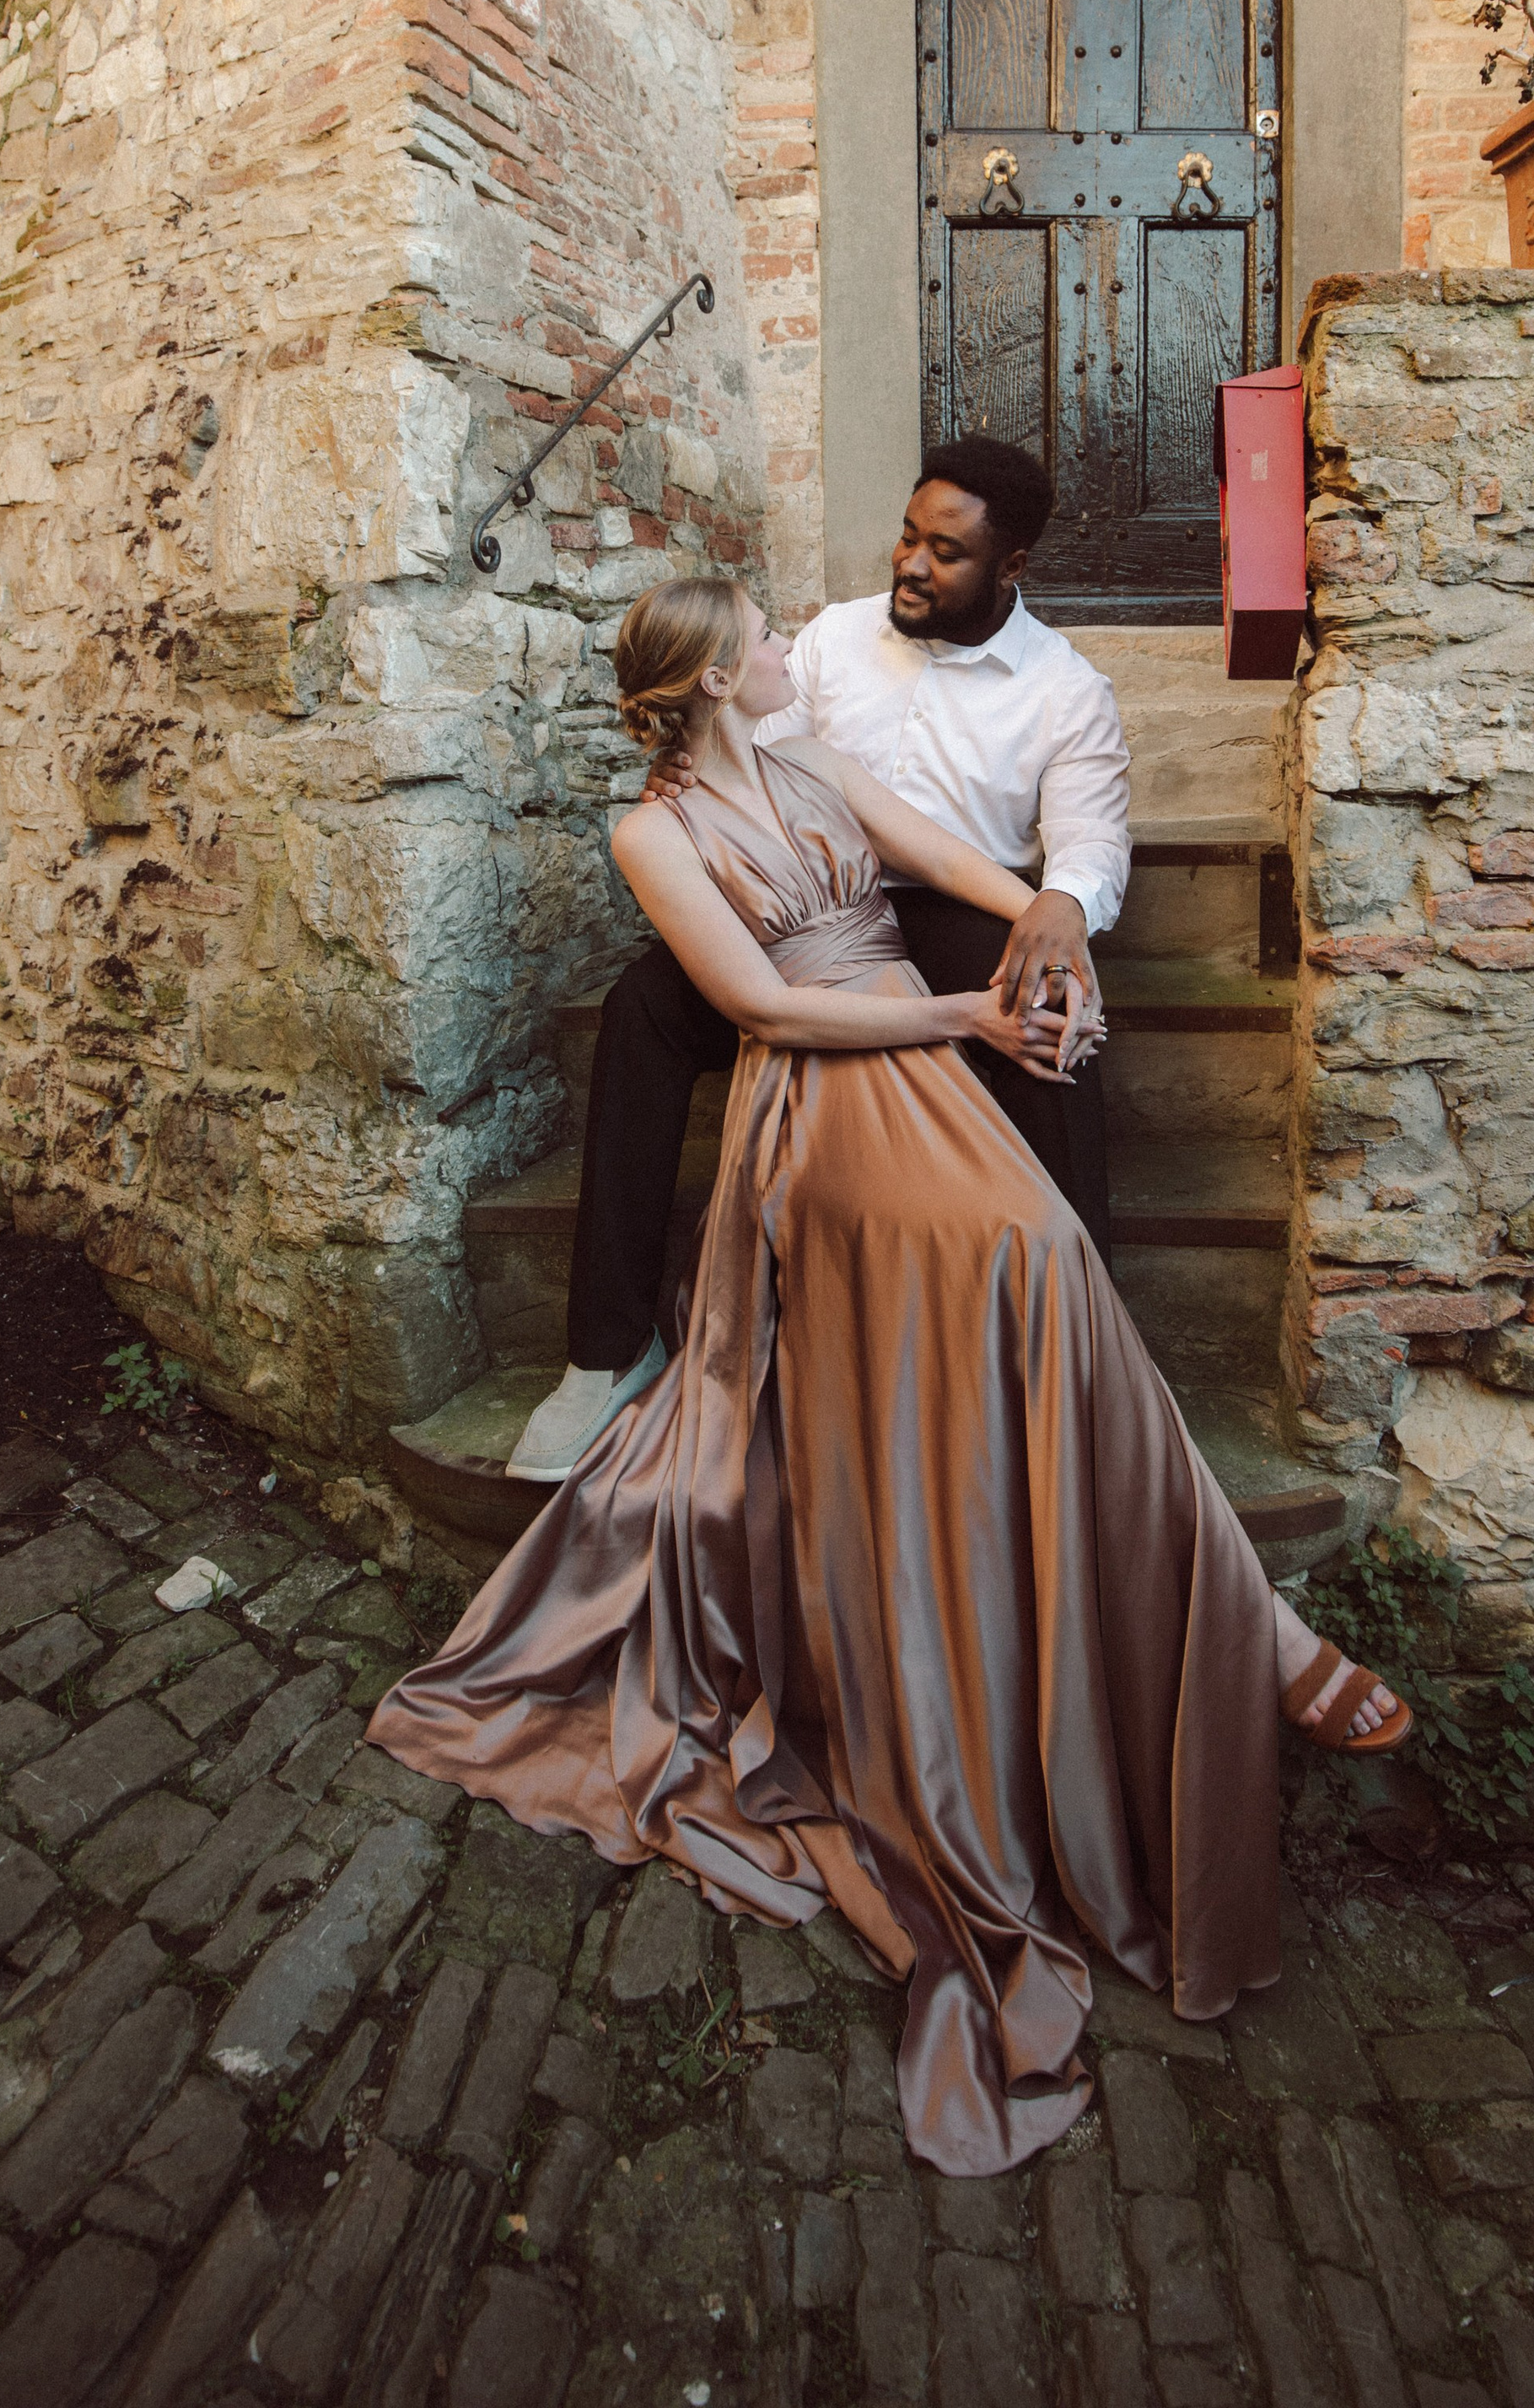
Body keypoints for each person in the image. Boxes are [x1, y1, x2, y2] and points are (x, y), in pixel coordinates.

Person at [369, 575, 1410, 2180]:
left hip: (924, 1051)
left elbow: (936, 860)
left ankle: (1234, 1616)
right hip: (822, 1094)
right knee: (1028, 1256)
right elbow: (761, 1002)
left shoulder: (808, 755)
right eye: (769, 633)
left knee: (1048, 1256)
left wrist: (1042, 923)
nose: (799, 642)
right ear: (717, 675)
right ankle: (1254, 1627)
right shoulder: (653, 836)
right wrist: (963, 1020)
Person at [504, 434, 1129, 1485]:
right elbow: (748, 758)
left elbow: (1084, 838)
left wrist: (1060, 910)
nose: (911, 566)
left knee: (1041, 1000)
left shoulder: (1065, 691)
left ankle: (1082, 1324)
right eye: (907, 536)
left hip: (950, 910)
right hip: (794, 908)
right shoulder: (833, 641)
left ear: (1009, 566)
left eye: (946, 552)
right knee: (639, 1009)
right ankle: (605, 1348)